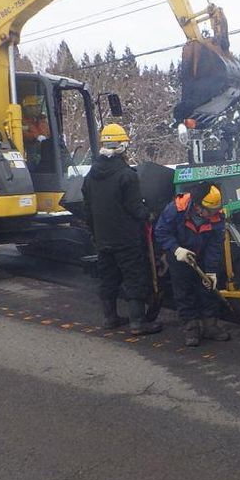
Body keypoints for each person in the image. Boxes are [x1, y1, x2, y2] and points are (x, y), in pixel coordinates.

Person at [82, 123, 161, 335]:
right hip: (126, 238)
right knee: (134, 276)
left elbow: (87, 208)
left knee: (108, 277)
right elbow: (135, 207)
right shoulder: (126, 175)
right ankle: (138, 322)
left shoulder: (90, 176)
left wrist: (95, 232)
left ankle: (110, 318)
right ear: (122, 147)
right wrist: (149, 214)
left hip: (103, 237)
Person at [155, 182, 230, 347]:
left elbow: (215, 246)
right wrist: (175, 249)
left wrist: (211, 272)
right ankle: (191, 326)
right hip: (179, 255)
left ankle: (210, 326)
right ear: (198, 207)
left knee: (207, 289)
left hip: (201, 255)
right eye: (210, 211)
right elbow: (161, 231)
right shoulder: (176, 209)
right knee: (183, 290)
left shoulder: (217, 216)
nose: (214, 214)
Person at [21, 95, 52, 170]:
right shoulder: (21, 121)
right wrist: (36, 137)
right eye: (35, 106)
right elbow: (22, 134)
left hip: (44, 152)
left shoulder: (42, 120)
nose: (38, 108)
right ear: (27, 108)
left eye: (38, 106)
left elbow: (48, 133)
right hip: (29, 153)